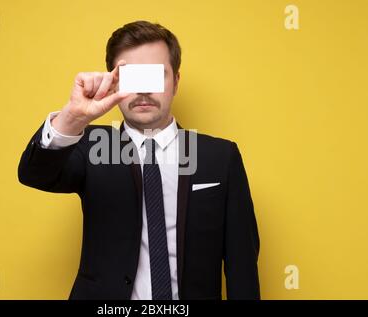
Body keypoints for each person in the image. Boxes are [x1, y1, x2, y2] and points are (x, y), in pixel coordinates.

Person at [18, 20, 260, 300]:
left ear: (176, 82)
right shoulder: (91, 145)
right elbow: (34, 174)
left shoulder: (220, 157)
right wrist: (73, 117)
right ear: (113, 83)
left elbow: (242, 265)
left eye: (155, 77)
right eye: (132, 78)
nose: (144, 92)